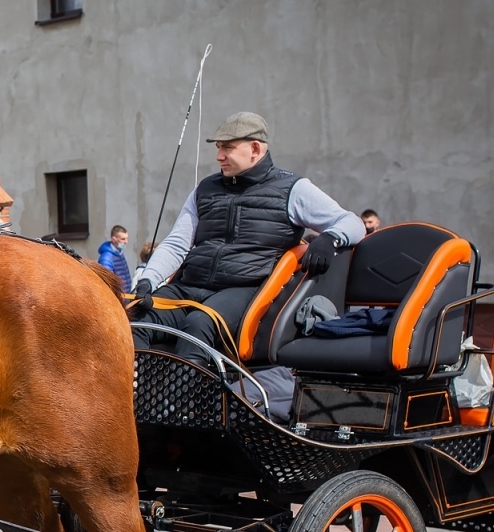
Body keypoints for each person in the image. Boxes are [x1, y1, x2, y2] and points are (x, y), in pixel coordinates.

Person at [129, 112, 365, 364]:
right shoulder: (204, 190)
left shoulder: (292, 188)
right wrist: (148, 281)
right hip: (189, 285)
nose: (219, 156)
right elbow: (177, 244)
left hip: (243, 289)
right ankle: (143, 395)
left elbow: (352, 222)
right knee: (132, 320)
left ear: (254, 148)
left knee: (198, 325)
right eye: (218, 148)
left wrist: (330, 238)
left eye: (228, 148)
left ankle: (185, 403)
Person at [97, 224, 131, 291]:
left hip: (126, 297)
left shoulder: (119, 253)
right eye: (123, 239)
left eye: (127, 238)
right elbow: (109, 283)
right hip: (118, 298)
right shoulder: (106, 258)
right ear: (114, 239)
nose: (126, 242)